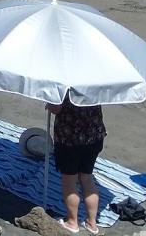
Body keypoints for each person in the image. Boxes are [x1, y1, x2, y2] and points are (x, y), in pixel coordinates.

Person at [47, 94, 106, 234]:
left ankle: (72, 222)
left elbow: (55, 109)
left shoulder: (66, 83)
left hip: (70, 139)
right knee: (86, 178)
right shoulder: (95, 82)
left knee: (69, 181)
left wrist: (49, 103)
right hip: (94, 136)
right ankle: (92, 223)